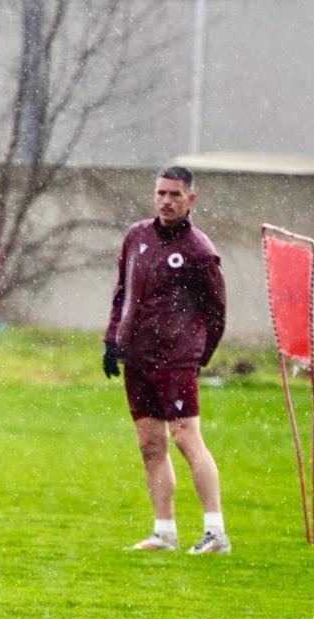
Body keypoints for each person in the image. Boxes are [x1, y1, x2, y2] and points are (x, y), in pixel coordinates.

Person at [103, 166, 229, 555]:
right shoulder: (136, 237)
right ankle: (164, 531)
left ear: (190, 199)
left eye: (175, 195)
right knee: (149, 444)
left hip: (175, 359)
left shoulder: (198, 250)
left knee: (186, 438)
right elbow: (121, 292)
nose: (166, 201)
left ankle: (215, 532)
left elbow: (216, 310)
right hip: (137, 357)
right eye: (161, 193)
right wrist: (112, 340)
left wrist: (197, 355)